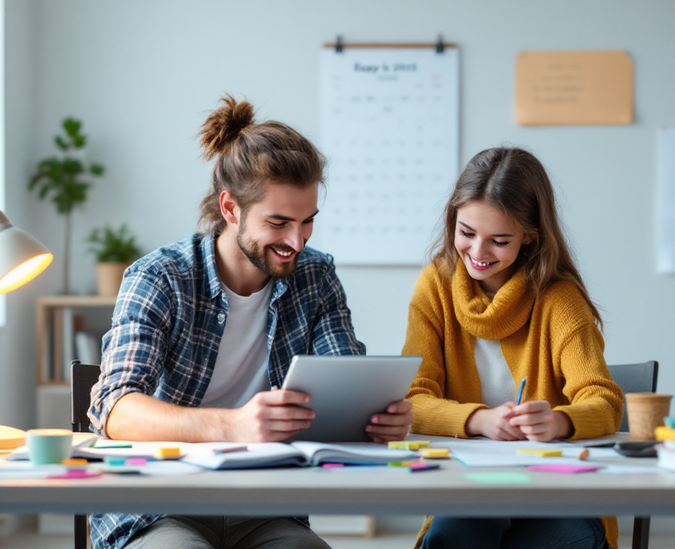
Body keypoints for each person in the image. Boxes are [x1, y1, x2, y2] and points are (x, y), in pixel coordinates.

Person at [87, 95, 413, 549]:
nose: (296, 241)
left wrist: (377, 418)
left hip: (267, 505)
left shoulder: (315, 276)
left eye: (307, 222)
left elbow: (345, 379)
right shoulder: (161, 278)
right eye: (279, 222)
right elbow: (113, 408)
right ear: (230, 208)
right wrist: (233, 425)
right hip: (159, 504)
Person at [402, 147, 624, 549]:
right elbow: (412, 400)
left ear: (530, 237)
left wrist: (559, 422)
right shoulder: (434, 286)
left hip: (554, 494)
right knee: (452, 540)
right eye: (466, 233)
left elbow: (604, 401)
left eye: (499, 240)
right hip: (467, 490)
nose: (478, 253)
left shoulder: (560, 299)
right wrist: (480, 420)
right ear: (453, 219)